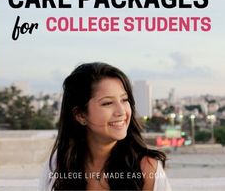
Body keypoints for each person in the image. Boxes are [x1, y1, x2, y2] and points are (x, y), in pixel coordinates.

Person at [40, 62, 172, 190]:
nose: (121, 111)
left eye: (124, 100)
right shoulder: (57, 166)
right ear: (81, 115)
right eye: (107, 103)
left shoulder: (147, 169)